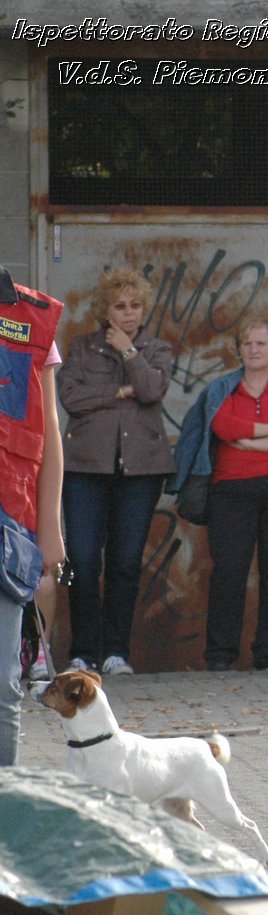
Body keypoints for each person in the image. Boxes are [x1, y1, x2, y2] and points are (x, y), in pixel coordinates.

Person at [170, 316, 268, 672]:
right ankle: (220, 654)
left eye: (261, 343)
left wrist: (254, 440)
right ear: (239, 349)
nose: (254, 350)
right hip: (230, 493)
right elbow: (224, 427)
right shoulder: (222, 390)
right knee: (228, 573)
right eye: (247, 343)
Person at [57, 268, 175, 676]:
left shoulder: (156, 350)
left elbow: (151, 390)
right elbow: (70, 396)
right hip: (85, 469)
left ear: (144, 310)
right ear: (105, 311)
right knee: (82, 559)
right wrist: (119, 392)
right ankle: (84, 651)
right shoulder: (83, 348)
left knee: (125, 562)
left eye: (135, 306)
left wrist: (129, 351)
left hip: (140, 472)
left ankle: (116, 652)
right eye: (120, 306)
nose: (128, 313)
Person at [0, 269, 66, 767]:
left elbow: (50, 437)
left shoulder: (31, 318)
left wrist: (51, 531)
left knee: (3, 688)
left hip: (9, 524)